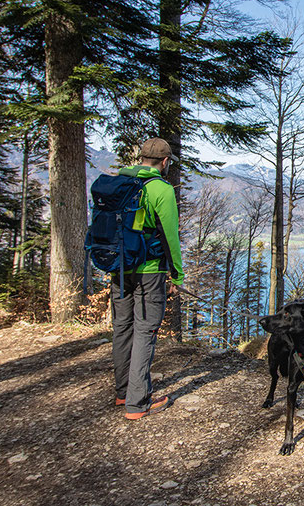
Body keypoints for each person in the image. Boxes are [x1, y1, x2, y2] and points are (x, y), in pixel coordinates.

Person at [111, 137, 184, 419]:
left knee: (122, 328)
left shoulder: (121, 182)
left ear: (141, 158)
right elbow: (170, 236)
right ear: (165, 162)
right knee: (145, 331)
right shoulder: (161, 190)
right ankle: (137, 402)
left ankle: (122, 393)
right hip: (149, 271)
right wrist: (176, 272)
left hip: (119, 267)